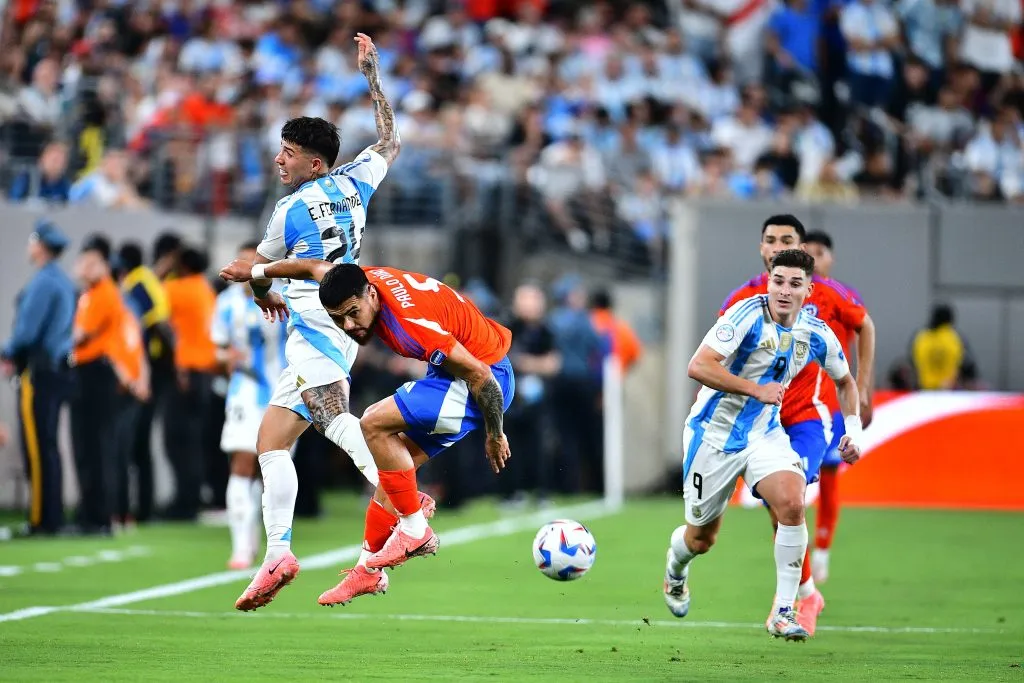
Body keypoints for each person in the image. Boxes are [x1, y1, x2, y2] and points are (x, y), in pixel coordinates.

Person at [219, 258, 514, 610]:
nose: (348, 325)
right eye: (337, 318)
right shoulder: (359, 281)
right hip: (452, 376)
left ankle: (415, 529)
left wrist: (495, 433)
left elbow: (480, 374)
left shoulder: (408, 323)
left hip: (481, 380)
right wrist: (255, 273)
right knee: (393, 469)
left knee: (372, 423)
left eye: (353, 313)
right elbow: (313, 267)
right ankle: (367, 570)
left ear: (372, 295)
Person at [225, 33, 405, 608]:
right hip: (346, 318)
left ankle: (405, 506)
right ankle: (277, 551)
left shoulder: (289, 209)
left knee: (332, 416)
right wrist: (372, 74)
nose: (279, 159)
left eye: (287, 152)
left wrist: (258, 289)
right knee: (272, 441)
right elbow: (390, 138)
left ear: (314, 162)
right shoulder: (355, 182)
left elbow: (258, 264)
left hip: (316, 323)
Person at [664, 249, 863, 642]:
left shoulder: (815, 332)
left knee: (791, 503)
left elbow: (844, 380)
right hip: (714, 435)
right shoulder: (745, 314)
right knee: (701, 539)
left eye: (794, 284)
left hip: (764, 434)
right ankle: (675, 569)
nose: (784, 291)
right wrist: (757, 389)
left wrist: (853, 430)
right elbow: (698, 366)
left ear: (810, 289)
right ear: (768, 280)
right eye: (778, 281)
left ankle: (785, 610)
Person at [716, 215, 875, 635]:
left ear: (801, 251)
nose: (776, 247)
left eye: (786, 240)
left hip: (808, 416)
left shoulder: (824, 297)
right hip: (755, 423)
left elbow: (863, 326)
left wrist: (864, 389)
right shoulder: (744, 299)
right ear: (762, 248)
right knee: (755, 515)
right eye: (770, 240)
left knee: (792, 500)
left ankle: (791, 601)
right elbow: (713, 358)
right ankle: (806, 592)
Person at [211, 242, 289, 569]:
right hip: (244, 390)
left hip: (282, 393)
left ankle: (261, 537)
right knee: (242, 462)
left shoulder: (285, 295)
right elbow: (216, 350)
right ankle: (240, 547)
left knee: (268, 470)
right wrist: (225, 358)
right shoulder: (225, 304)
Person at [802, 230, 873, 584]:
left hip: (831, 404)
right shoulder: (786, 292)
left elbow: (864, 330)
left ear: (830, 258)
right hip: (794, 404)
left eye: (820, 252)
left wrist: (863, 388)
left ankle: (822, 550)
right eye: (807, 251)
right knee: (789, 487)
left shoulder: (840, 296)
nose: (813, 258)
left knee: (829, 476)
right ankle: (797, 572)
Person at [0, 221, 76, 536]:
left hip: (39, 371)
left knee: (37, 446)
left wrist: (6, 352)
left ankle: (41, 519)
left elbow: (26, 333)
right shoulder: (63, 281)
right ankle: (51, 516)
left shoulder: (44, 282)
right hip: (57, 369)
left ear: (41, 245)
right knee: (47, 445)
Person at [70, 235, 131, 535]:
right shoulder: (91, 293)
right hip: (89, 373)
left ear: (104, 265)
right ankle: (90, 514)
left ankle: (98, 517)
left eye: (91, 262)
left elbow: (80, 335)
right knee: (87, 447)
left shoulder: (103, 293)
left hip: (96, 373)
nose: (83, 266)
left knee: (96, 447)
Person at [118, 242, 172, 523]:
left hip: (148, 368)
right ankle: (143, 507)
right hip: (154, 367)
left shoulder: (137, 284)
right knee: (141, 442)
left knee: (136, 440)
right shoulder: (148, 280)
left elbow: (146, 324)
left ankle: (140, 508)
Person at [162, 247, 218, 521]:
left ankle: (184, 502)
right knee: (195, 439)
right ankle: (192, 498)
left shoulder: (177, 289)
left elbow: (157, 313)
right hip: (206, 371)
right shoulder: (205, 289)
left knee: (177, 440)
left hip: (186, 371)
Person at [911, 304, 969, 390]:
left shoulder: (921, 337)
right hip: (948, 388)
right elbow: (965, 363)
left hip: (925, 388)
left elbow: (913, 361)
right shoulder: (954, 337)